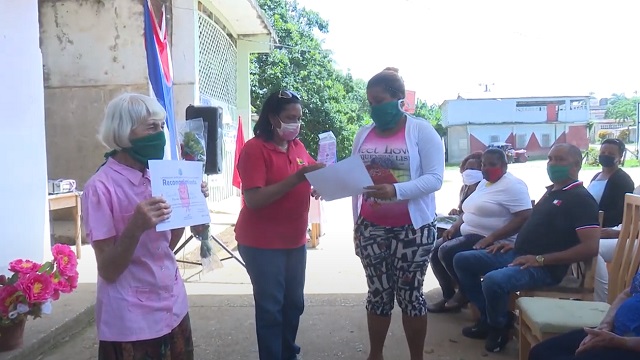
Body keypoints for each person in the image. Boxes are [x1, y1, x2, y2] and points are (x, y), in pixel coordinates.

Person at [82, 93, 209, 360]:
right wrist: (135, 227)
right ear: (124, 132)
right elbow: (108, 269)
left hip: (173, 307)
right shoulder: (100, 188)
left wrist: (189, 202)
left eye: (162, 127)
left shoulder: (158, 176)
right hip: (132, 321)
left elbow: (166, 247)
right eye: (151, 127)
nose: (160, 135)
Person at [453, 143, 601, 353]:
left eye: (560, 160)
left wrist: (539, 259)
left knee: (494, 281)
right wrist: (513, 243)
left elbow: (590, 247)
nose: (552, 164)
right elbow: (535, 227)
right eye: (550, 159)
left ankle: (498, 328)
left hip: (544, 267)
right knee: (462, 259)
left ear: (577, 165)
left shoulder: (581, 200)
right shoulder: (552, 193)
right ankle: (491, 319)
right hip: (518, 254)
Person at [352, 67, 444, 360]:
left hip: (413, 231)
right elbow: (355, 176)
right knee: (378, 295)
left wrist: (396, 191)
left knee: (410, 295)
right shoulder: (363, 133)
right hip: (371, 228)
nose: (374, 107)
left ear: (398, 98)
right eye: (370, 102)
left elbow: (434, 178)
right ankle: (375, 354)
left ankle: (416, 356)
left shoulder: (421, 130)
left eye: (380, 100)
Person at [235, 90, 324, 360]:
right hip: (261, 244)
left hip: (295, 241)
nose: (295, 124)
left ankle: (288, 353)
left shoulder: (297, 146)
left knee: (294, 304)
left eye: (298, 118)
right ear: (273, 118)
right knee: (271, 307)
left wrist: (319, 183)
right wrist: (298, 179)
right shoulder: (255, 149)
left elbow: (309, 172)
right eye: (289, 117)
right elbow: (254, 199)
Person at [427, 148, 532, 313]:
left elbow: (525, 216)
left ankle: (464, 292)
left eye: (492, 164)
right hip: (468, 232)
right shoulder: (484, 183)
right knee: (434, 251)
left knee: (447, 251)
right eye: (483, 164)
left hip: (491, 238)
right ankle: (449, 296)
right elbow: (468, 210)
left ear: (505, 165)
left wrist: (492, 237)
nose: (486, 168)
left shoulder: (513, 186)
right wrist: (455, 226)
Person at [528, 269, 640, 360]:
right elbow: (626, 294)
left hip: (630, 346)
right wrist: (606, 324)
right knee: (540, 352)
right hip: (613, 332)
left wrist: (620, 342)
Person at [587, 139, 635, 302]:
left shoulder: (623, 180)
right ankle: (583, 290)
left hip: (615, 231)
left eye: (611, 154)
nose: (606, 156)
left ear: (620, 157)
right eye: (603, 152)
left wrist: (612, 231)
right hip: (595, 227)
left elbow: (624, 215)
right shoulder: (596, 176)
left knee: (592, 248)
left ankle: (601, 300)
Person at [448, 152, 483, 216]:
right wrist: (456, 212)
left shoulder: (485, 190)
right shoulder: (464, 188)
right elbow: (462, 211)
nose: (468, 172)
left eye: (472, 169)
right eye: (466, 169)